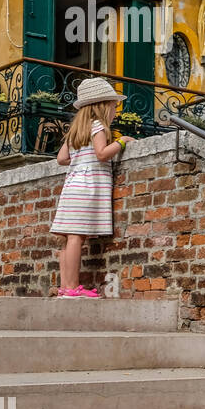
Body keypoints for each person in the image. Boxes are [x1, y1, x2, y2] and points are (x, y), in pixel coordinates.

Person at [50, 78, 133, 297]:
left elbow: (61, 159)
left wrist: (80, 162)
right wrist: (122, 141)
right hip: (87, 188)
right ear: (103, 105)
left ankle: (66, 287)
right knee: (77, 237)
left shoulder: (77, 129)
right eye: (114, 106)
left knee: (69, 239)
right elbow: (102, 153)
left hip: (72, 184)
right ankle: (72, 287)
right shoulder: (98, 126)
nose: (115, 111)